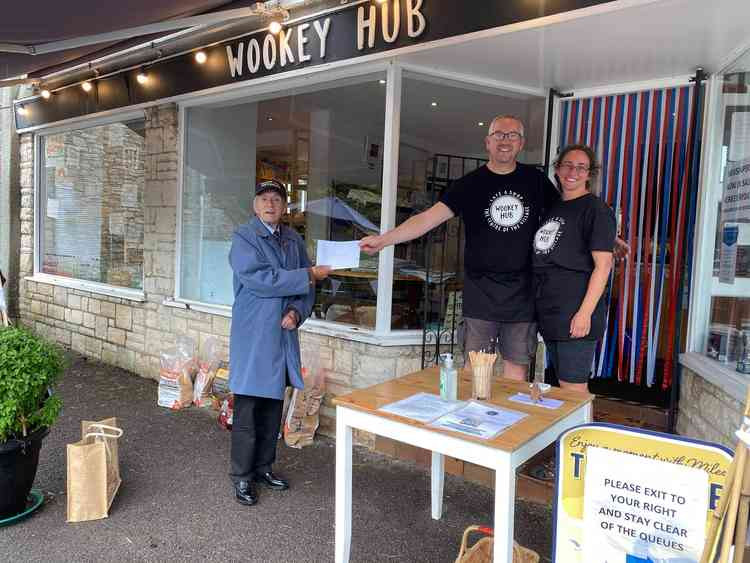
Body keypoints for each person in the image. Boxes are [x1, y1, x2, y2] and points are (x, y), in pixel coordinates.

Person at [360, 115, 560, 381]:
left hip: (522, 293)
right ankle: (476, 421)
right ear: (487, 142)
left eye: (512, 135)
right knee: (476, 370)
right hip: (480, 293)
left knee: (517, 371)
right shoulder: (468, 184)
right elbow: (427, 219)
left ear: (521, 143)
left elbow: (564, 218)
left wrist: (602, 238)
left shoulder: (535, 181)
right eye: (499, 134)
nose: (505, 140)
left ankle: (509, 423)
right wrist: (384, 240)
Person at [228, 179, 330, 506]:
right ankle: (242, 476)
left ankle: (263, 467)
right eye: (264, 198)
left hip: (282, 334)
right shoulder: (244, 238)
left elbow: (306, 291)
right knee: (248, 409)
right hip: (255, 334)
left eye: (277, 199)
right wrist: (309, 275)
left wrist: (296, 313)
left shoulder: (293, 240)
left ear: (285, 207)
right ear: (255, 205)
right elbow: (261, 280)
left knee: (273, 406)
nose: (270, 204)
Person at [532, 144, 616, 394]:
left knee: (573, 388)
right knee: (562, 384)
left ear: (589, 174)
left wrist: (584, 314)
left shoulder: (596, 210)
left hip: (575, 312)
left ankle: (584, 434)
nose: (573, 172)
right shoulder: (554, 208)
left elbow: (603, 266)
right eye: (568, 165)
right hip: (551, 310)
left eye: (581, 167)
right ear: (557, 170)